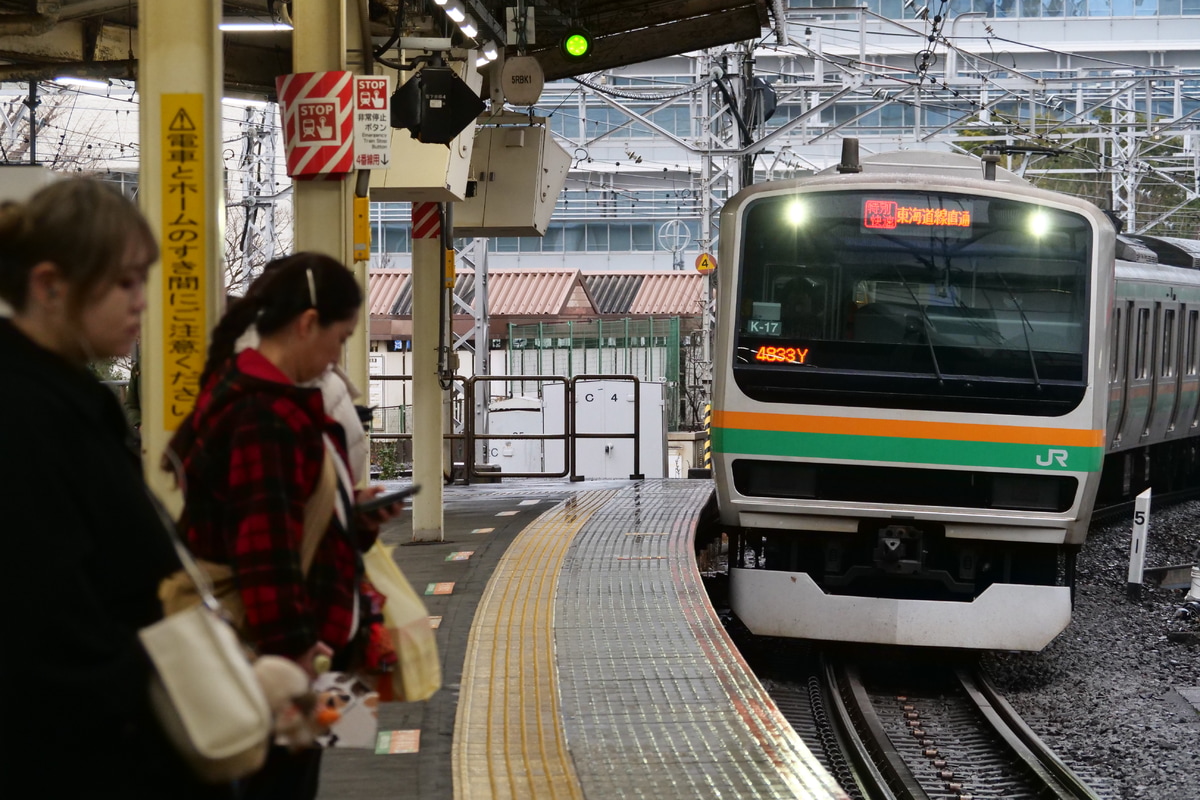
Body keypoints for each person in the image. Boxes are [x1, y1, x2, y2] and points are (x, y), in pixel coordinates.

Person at [0, 178, 232, 798]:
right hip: (79, 761)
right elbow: (47, 631)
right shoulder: (26, 418)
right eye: (124, 283)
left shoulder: (68, 399)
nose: (142, 303)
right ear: (51, 286)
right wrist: (185, 678)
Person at [166, 252, 401, 800]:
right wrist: (302, 666)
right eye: (340, 337)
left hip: (310, 637)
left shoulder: (267, 396)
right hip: (289, 648)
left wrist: (359, 519)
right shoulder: (265, 414)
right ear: (307, 323)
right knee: (285, 783)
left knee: (311, 769)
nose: (338, 355)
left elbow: (297, 525)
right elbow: (264, 552)